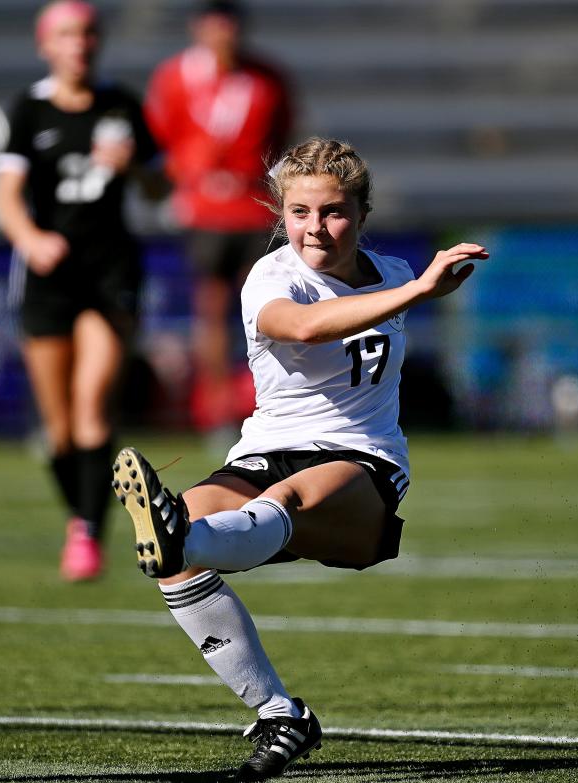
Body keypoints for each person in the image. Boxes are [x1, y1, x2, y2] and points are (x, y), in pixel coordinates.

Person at [113, 138, 488, 780]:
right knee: (176, 556)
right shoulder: (272, 274)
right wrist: (423, 290)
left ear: (362, 215)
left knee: (271, 506)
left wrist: (420, 286)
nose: (315, 227)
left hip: (362, 461)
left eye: (334, 211)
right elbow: (308, 326)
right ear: (281, 215)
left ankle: (180, 535)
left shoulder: (395, 272)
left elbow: (384, 302)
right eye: (300, 212)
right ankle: (279, 713)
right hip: (264, 449)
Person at [0, 0, 157, 581]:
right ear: (46, 44)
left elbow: (162, 187)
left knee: (92, 410)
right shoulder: (29, 108)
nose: (79, 44)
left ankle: (88, 535)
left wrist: (135, 167)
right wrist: (31, 238)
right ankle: (79, 520)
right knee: (57, 428)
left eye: (87, 33)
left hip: (110, 274)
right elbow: (8, 193)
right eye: (66, 34)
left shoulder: (123, 106)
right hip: (48, 277)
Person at [144, 0, 295, 439]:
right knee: (210, 309)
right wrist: (189, 176)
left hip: (254, 207)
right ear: (199, 30)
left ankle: (271, 404)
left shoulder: (268, 80)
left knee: (267, 308)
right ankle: (216, 414)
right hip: (205, 210)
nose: (223, 38)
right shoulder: (176, 77)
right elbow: (162, 140)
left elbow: (281, 139)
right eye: (215, 29)